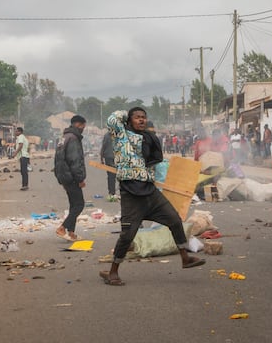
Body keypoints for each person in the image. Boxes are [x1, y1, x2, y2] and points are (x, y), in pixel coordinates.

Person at [100, 107, 205, 286]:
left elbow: (156, 158)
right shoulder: (121, 135)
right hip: (131, 194)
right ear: (129, 120)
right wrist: (126, 114)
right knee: (127, 235)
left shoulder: (149, 138)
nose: (142, 120)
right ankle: (113, 272)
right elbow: (112, 118)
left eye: (144, 117)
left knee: (174, 220)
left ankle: (185, 258)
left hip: (150, 191)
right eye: (137, 117)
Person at [54, 115, 87, 241]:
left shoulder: (64, 137)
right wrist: (80, 179)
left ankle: (71, 232)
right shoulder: (73, 139)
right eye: (83, 126)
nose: (83, 129)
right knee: (79, 204)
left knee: (73, 204)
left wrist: (60, 177)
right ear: (78, 124)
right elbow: (75, 161)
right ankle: (62, 228)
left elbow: (57, 159)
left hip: (64, 176)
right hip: (71, 177)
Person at [100, 131, 116, 198]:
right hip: (116, 157)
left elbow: (103, 146)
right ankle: (114, 192)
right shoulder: (120, 134)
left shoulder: (106, 135)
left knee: (111, 176)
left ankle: (111, 192)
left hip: (108, 158)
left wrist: (101, 157)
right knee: (117, 176)